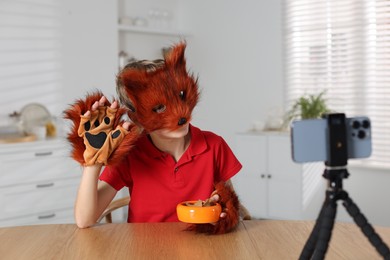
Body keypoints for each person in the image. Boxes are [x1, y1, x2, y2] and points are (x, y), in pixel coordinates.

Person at [66, 42, 243, 234]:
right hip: (146, 249)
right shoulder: (130, 153)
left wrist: (225, 211)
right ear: (135, 117)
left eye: (178, 98)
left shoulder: (213, 145)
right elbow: (85, 219)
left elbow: (229, 203)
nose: (179, 114)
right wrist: (93, 161)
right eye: (160, 108)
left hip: (202, 247)